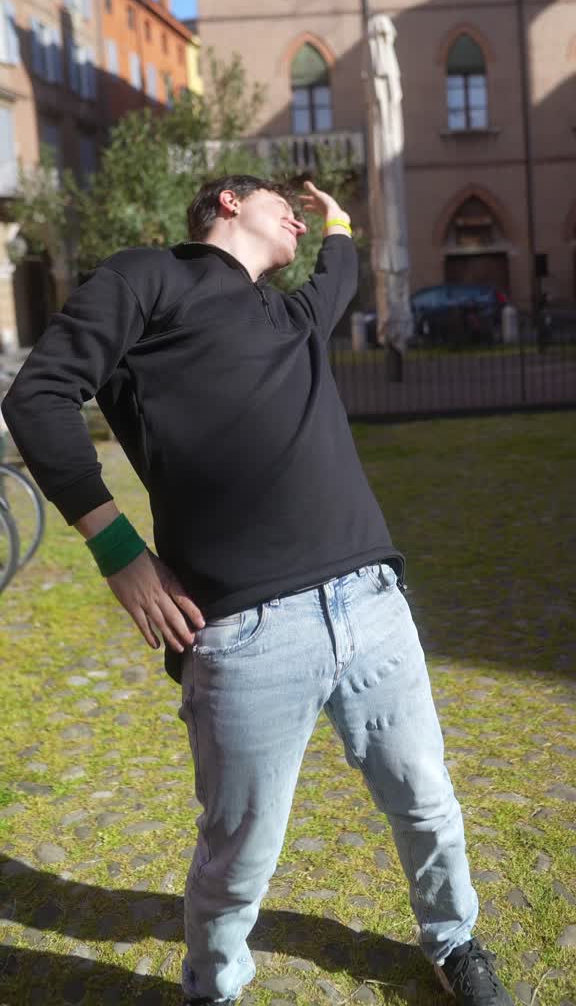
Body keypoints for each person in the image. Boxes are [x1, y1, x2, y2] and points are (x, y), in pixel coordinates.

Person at [2, 174, 513, 1006]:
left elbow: (338, 275)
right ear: (229, 203)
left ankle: (454, 938)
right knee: (238, 854)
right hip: (246, 629)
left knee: (428, 802)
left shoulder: (290, 315)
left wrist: (337, 220)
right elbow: (41, 393)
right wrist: (118, 545)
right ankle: (215, 986)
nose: (297, 222)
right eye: (285, 204)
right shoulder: (148, 276)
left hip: (373, 602)